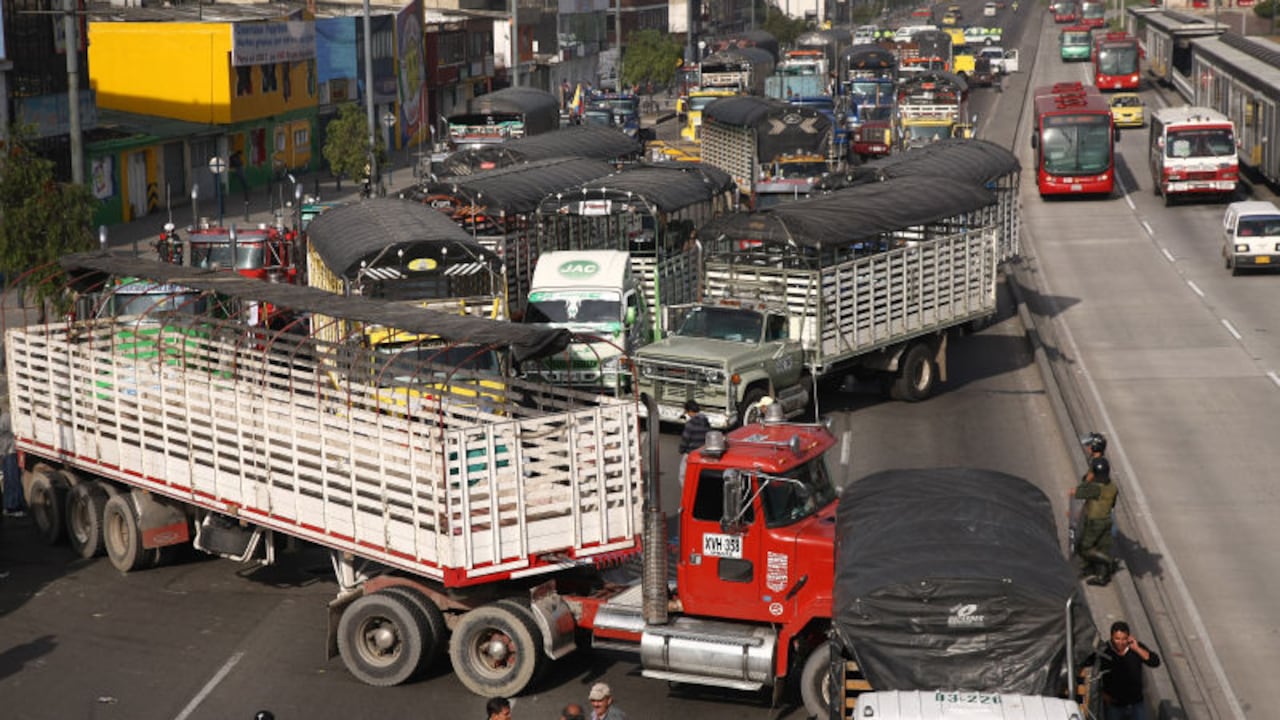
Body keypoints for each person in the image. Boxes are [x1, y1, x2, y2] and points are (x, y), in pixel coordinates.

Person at [1098, 620, 1161, 720]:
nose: (1121, 642)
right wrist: (1103, 694)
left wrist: (1137, 649)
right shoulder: (1105, 650)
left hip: (1136, 704)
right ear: (1111, 637)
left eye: (1124, 639)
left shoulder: (1135, 648)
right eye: (1117, 639)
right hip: (1114, 705)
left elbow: (1155, 662)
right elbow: (1092, 672)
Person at [1071, 456, 1117, 585]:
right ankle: (1102, 577)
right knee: (1101, 548)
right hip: (1107, 520)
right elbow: (1112, 503)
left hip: (1095, 522)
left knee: (1084, 548)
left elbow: (1078, 492)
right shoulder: (1112, 487)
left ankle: (1108, 561)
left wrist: (1087, 480)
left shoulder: (1095, 488)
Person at [1, 396, 24, 519]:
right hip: (10, 452)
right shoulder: (8, 417)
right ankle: (14, 508)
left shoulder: (4, 417)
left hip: (6, 452)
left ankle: (8, 506)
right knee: (13, 481)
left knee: (9, 481)